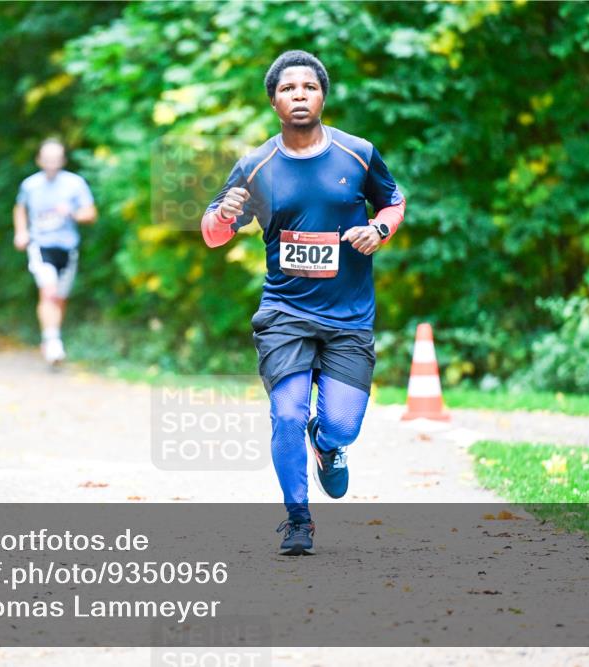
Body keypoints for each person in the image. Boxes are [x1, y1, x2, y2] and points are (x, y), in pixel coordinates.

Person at [201, 51, 407, 555]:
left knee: (342, 425)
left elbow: (393, 202)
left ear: (322, 96)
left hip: (349, 318)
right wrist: (226, 215)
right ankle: (298, 519)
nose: (299, 95)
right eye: (288, 88)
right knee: (286, 413)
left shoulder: (358, 154)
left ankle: (328, 444)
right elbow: (212, 234)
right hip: (285, 314)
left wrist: (379, 229)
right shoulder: (256, 166)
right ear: (274, 100)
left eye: (309, 87)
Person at [13, 139, 97, 366]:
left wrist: (72, 213)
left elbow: (90, 214)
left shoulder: (75, 184)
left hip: (67, 248)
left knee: (59, 299)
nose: (52, 163)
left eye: (56, 158)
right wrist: (21, 232)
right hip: (40, 246)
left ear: (63, 160)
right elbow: (20, 208)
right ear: (39, 160)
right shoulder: (30, 185)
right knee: (48, 291)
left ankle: (50, 337)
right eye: (47, 158)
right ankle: (53, 342)